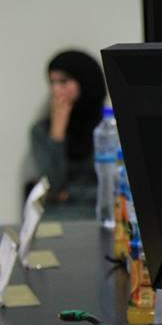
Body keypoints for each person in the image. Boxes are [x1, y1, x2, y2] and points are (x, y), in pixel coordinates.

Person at [29, 49, 107, 220]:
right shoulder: (41, 131)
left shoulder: (107, 129)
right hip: (56, 218)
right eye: (52, 82)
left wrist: (69, 193)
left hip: (99, 216)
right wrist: (57, 132)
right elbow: (53, 185)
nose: (56, 90)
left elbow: (113, 188)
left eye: (63, 81)